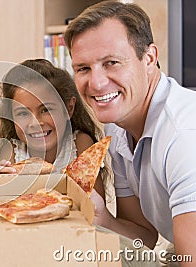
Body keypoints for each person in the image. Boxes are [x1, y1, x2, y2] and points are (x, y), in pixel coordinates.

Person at [64, 0, 196, 260]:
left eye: (111, 62)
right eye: (83, 68)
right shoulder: (118, 127)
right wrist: (100, 215)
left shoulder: (184, 136)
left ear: (149, 58)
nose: (97, 82)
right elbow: (143, 236)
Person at [0, 59, 110, 200]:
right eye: (23, 113)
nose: (35, 123)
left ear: (68, 109)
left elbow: (96, 205)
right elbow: (0, 200)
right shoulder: (11, 150)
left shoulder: (80, 144)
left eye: (46, 110)